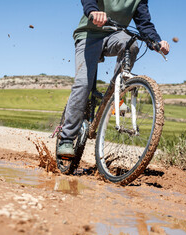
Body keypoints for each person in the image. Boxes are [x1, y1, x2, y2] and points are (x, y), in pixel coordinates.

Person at [57, 0, 170, 157]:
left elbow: (144, 24)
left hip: (115, 35)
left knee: (132, 44)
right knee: (83, 84)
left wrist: (155, 41)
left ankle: (116, 94)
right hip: (89, 35)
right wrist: (92, 11)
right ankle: (66, 138)